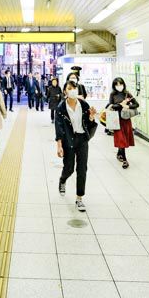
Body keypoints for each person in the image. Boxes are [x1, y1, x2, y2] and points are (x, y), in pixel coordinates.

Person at [55, 80, 98, 212]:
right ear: (65, 91)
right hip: (69, 140)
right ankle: (62, 180)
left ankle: (79, 198)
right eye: (70, 88)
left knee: (82, 169)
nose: (73, 90)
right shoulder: (61, 108)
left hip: (82, 139)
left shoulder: (84, 105)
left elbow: (89, 124)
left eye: (75, 88)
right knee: (69, 168)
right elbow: (59, 128)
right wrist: (59, 145)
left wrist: (91, 117)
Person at [107, 77, 139, 169]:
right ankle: (125, 160)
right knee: (121, 138)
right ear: (114, 86)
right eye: (116, 84)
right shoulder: (112, 94)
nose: (118, 86)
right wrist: (120, 104)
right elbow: (111, 105)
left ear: (123, 84)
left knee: (124, 138)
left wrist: (127, 106)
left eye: (120, 84)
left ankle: (119, 153)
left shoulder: (127, 94)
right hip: (116, 119)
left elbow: (136, 104)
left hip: (125, 119)